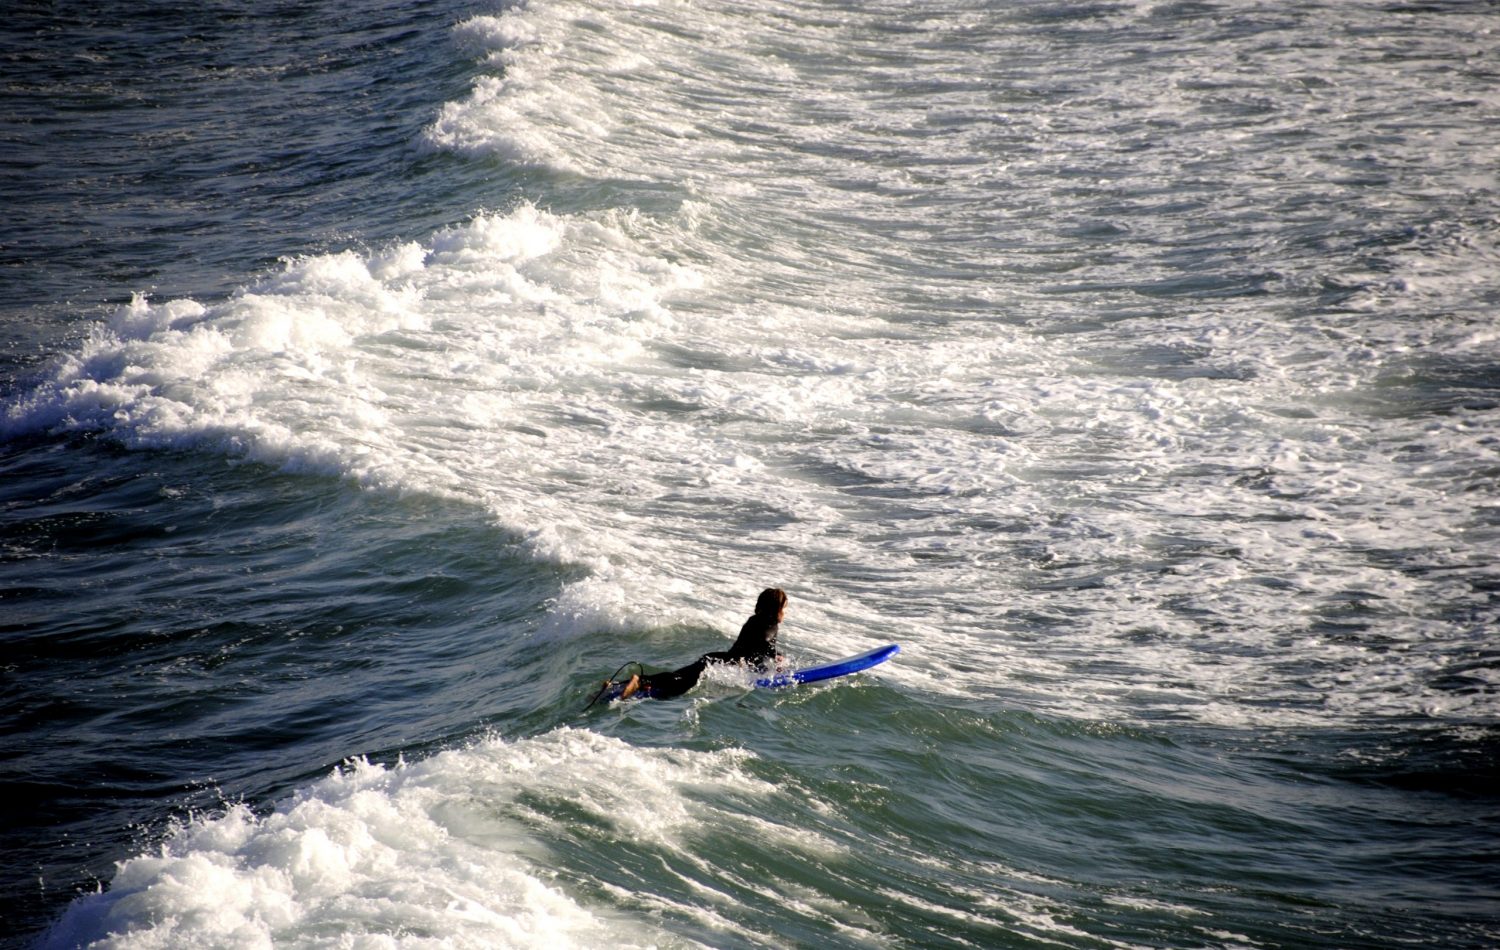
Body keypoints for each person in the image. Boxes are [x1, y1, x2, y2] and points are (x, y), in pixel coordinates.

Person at [617, 588, 788, 700]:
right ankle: (639, 682)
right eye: (784, 609)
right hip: (725, 664)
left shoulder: (754, 620)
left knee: (678, 677)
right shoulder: (771, 625)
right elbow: (764, 642)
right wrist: (775, 659)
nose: (785, 613)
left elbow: (756, 644)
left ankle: (627, 684)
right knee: (680, 685)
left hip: (718, 659)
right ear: (777, 609)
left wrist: (773, 654)